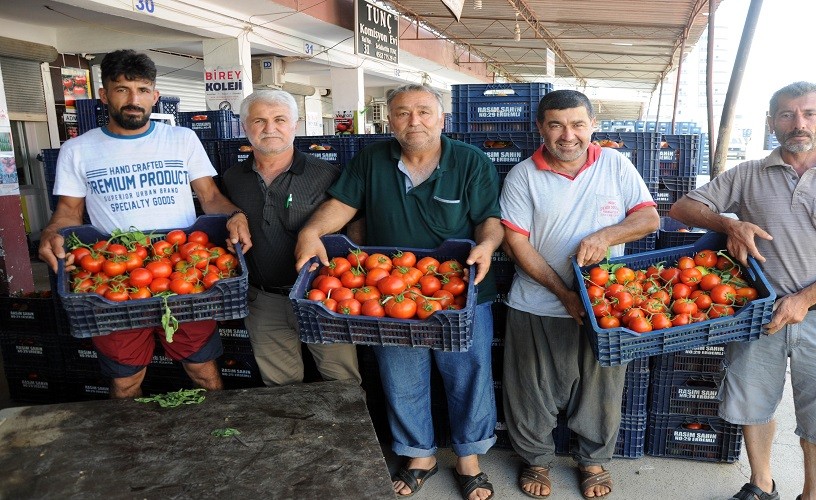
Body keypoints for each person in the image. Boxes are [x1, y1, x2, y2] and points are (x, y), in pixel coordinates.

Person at [668, 81, 816, 500]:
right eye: (787, 115)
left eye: (809, 114)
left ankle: (813, 496)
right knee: (752, 403)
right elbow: (683, 208)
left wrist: (804, 299)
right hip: (759, 314)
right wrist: (730, 224)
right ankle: (761, 483)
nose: (798, 123)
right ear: (772, 122)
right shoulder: (749, 174)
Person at [295, 83, 503, 500]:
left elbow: (489, 220)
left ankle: (469, 458)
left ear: (442, 118)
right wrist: (311, 231)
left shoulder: (470, 160)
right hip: (388, 291)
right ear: (389, 120)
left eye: (424, 112)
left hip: (459, 291)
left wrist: (487, 246)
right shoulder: (371, 160)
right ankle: (419, 456)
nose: (414, 121)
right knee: (401, 375)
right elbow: (342, 206)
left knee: (468, 374)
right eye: (403, 113)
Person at [38, 49, 252, 399]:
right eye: (122, 89)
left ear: (155, 95)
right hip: (116, 273)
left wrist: (236, 215)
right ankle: (130, 435)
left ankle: (216, 427)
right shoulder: (77, 149)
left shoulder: (182, 139)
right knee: (126, 380)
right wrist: (51, 232)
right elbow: (68, 212)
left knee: (202, 369)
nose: (133, 100)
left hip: (183, 267)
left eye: (142, 90)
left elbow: (211, 197)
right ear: (104, 95)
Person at [499, 89, 659, 499]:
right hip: (536, 302)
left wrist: (607, 235)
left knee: (601, 387)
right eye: (556, 125)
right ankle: (535, 459)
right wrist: (564, 293)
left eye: (577, 125)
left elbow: (648, 218)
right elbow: (516, 243)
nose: (567, 135)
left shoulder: (615, 164)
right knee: (531, 387)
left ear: (593, 126)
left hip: (608, 303)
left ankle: (593, 460)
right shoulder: (522, 176)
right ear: (540, 127)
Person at [220, 89, 360, 387]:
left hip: (323, 298)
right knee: (280, 389)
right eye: (259, 120)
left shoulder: (326, 174)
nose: (270, 128)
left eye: (280, 119)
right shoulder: (233, 178)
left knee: (342, 383)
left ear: (295, 125)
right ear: (244, 127)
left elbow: (355, 229)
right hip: (264, 300)